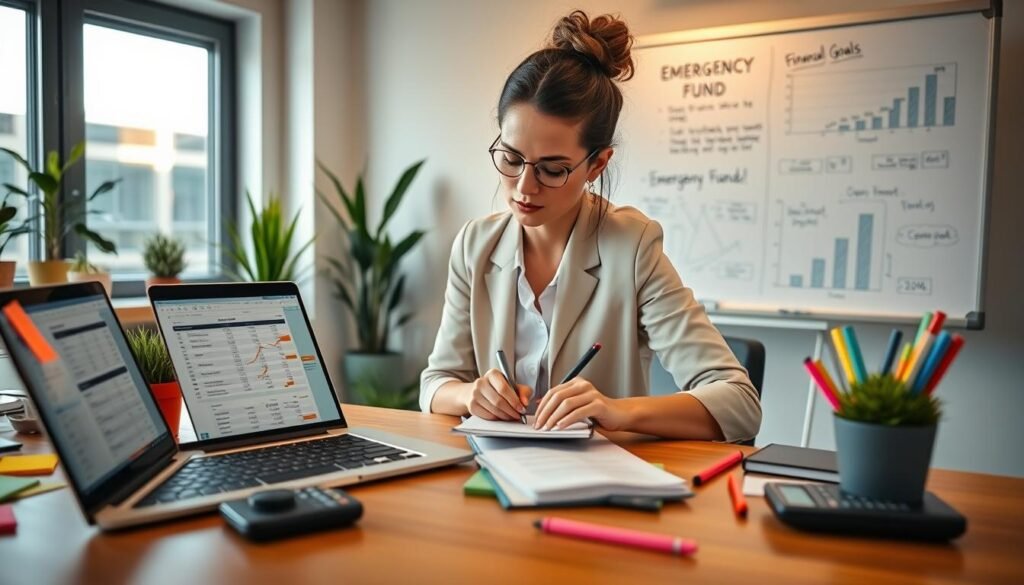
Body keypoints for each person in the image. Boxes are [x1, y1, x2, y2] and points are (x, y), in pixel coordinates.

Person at [419, 10, 761, 442]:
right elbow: (435, 383)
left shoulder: (632, 247)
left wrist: (616, 411)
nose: (524, 187)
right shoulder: (476, 245)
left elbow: (739, 403)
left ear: (597, 163)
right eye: (510, 158)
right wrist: (471, 395)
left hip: (597, 490)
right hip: (495, 477)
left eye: (552, 169)